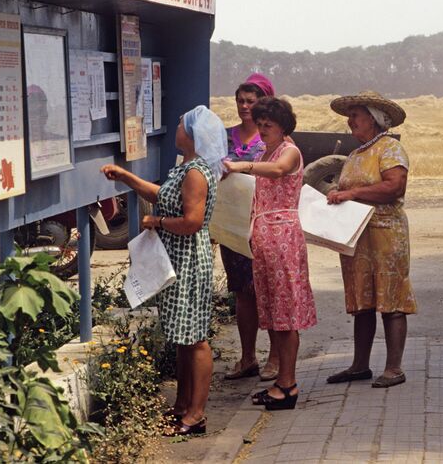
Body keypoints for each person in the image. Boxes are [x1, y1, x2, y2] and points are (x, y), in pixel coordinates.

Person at [100, 105, 227, 435]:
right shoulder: (185, 168)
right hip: (177, 259)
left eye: (181, 124)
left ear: (193, 135)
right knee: (183, 339)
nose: (176, 128)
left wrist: (156, 221)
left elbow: (192, 221)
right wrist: (128, 178)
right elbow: (163, 195)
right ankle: (182, 406)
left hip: (188, 260)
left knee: (195, 339)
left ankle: (196, 414)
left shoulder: (196, 172)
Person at [224, 97, 316, 410]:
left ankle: (288, 383)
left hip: (282, 237)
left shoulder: (288, 151)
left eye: (269, 125)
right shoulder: (268, 150)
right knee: (274, 313)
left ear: (283, 126)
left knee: (286, 314)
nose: (263, 129)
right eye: (260, 124)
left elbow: (278, 171)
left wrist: (242, 165)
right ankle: (282, 383)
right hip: (265, 238)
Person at [325, 90, 417, 388]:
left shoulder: (389, 148)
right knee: (362, 299)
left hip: (385, 234)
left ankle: (394, 368)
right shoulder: (355, 155)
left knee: (391, 298)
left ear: (374, 119)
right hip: (357, 238)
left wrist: (350, 193)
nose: (350, 121)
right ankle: (359, 365)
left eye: (355, 115)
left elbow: (394, 187)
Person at [222, 73, 280, 382]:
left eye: (251, 101)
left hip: (266, 226)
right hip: (234, 227)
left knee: (267, 291)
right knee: (242, 293)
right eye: (241, 101)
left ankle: (274, 357)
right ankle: (247, 357)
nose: (245, 106)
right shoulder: (224, 136)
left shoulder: (273, 139)